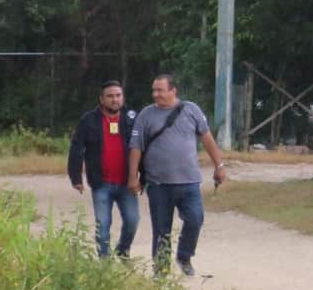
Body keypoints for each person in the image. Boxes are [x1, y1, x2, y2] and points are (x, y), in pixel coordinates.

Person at [127, 74, 227, 276]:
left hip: (189, 182)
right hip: (158, 183)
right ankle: (161, 269)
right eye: (154, 90)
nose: (155, 94)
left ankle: (184, 256)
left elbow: (207, 139)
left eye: (160, 90)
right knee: (161, 229)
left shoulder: (192, 110)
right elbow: (136, 147)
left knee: (195, 219)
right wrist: (132, 177)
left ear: (173, 91)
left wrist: (219, 165)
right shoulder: (146, 115)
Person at [67, 80, 139, 258]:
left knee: (132, 221)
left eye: (118, 95)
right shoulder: (88, 120)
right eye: (110, 96)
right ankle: (104, 263)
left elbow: (142, 147)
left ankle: (123, 250)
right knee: (103, 224)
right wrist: (76, 177)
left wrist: (142, 177)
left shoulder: (132, 119)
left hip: (126, 183)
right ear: (101, 99)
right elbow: (77, 148)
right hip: (101, 183)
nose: (115, 99)